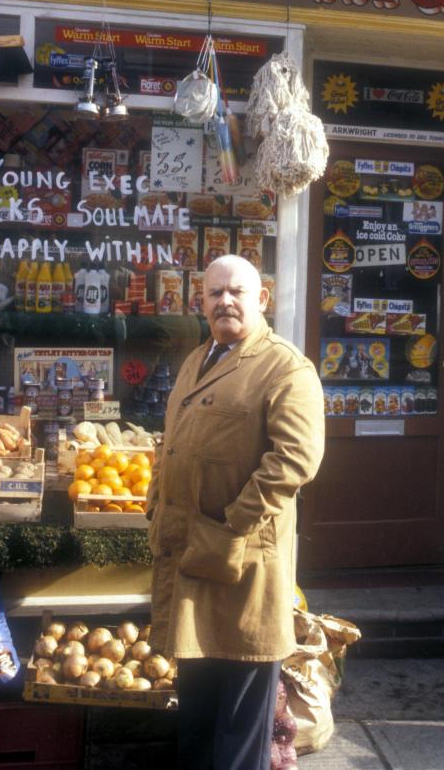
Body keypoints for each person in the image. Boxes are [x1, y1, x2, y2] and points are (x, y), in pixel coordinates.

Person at [147, 254, 325, 770]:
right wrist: (156, 504)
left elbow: (295, 460)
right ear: (200, 303)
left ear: (262, 299)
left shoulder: (285, 366)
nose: (225, 300)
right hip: (191, 560)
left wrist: (231, 523)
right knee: (198, 712)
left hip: (242, 566)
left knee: (239, 724)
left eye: (238, 292)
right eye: (214, 293)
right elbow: (171, 444)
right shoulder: (197, 359)